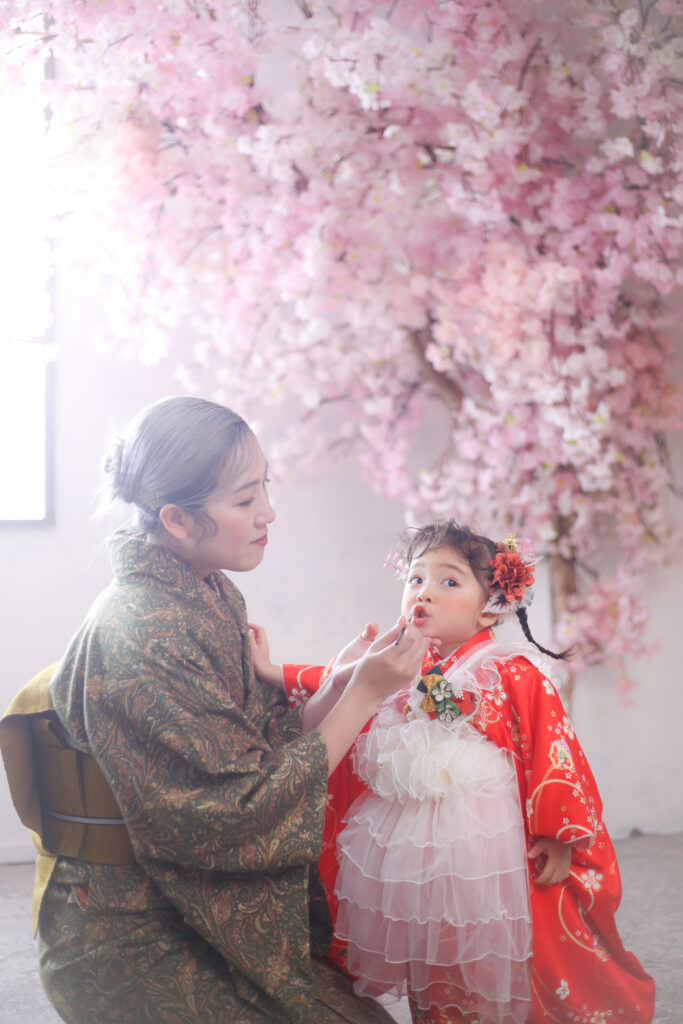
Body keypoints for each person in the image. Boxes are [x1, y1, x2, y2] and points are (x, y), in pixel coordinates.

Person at [0, 395, 433, 1024]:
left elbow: (254, 745)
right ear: (177, 519)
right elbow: (235, 811)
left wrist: (340, 685)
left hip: (182, 896)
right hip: (128, 925)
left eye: (265, 488)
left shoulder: (210, 593)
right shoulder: (144, 629)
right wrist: (364, 695)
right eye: (245, 499)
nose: (268, 512)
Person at [252, 520, 656, 1024]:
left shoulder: (511, 670)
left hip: (483, 838)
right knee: (426, 937)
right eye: (416, 578)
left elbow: (553, 749)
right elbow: (337, 679)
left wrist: (559, 834)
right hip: (407, 837)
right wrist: (273, 672)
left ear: (490, 606)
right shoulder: (401, 662)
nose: (424, 592)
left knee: (482, 936)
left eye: (448, 581)